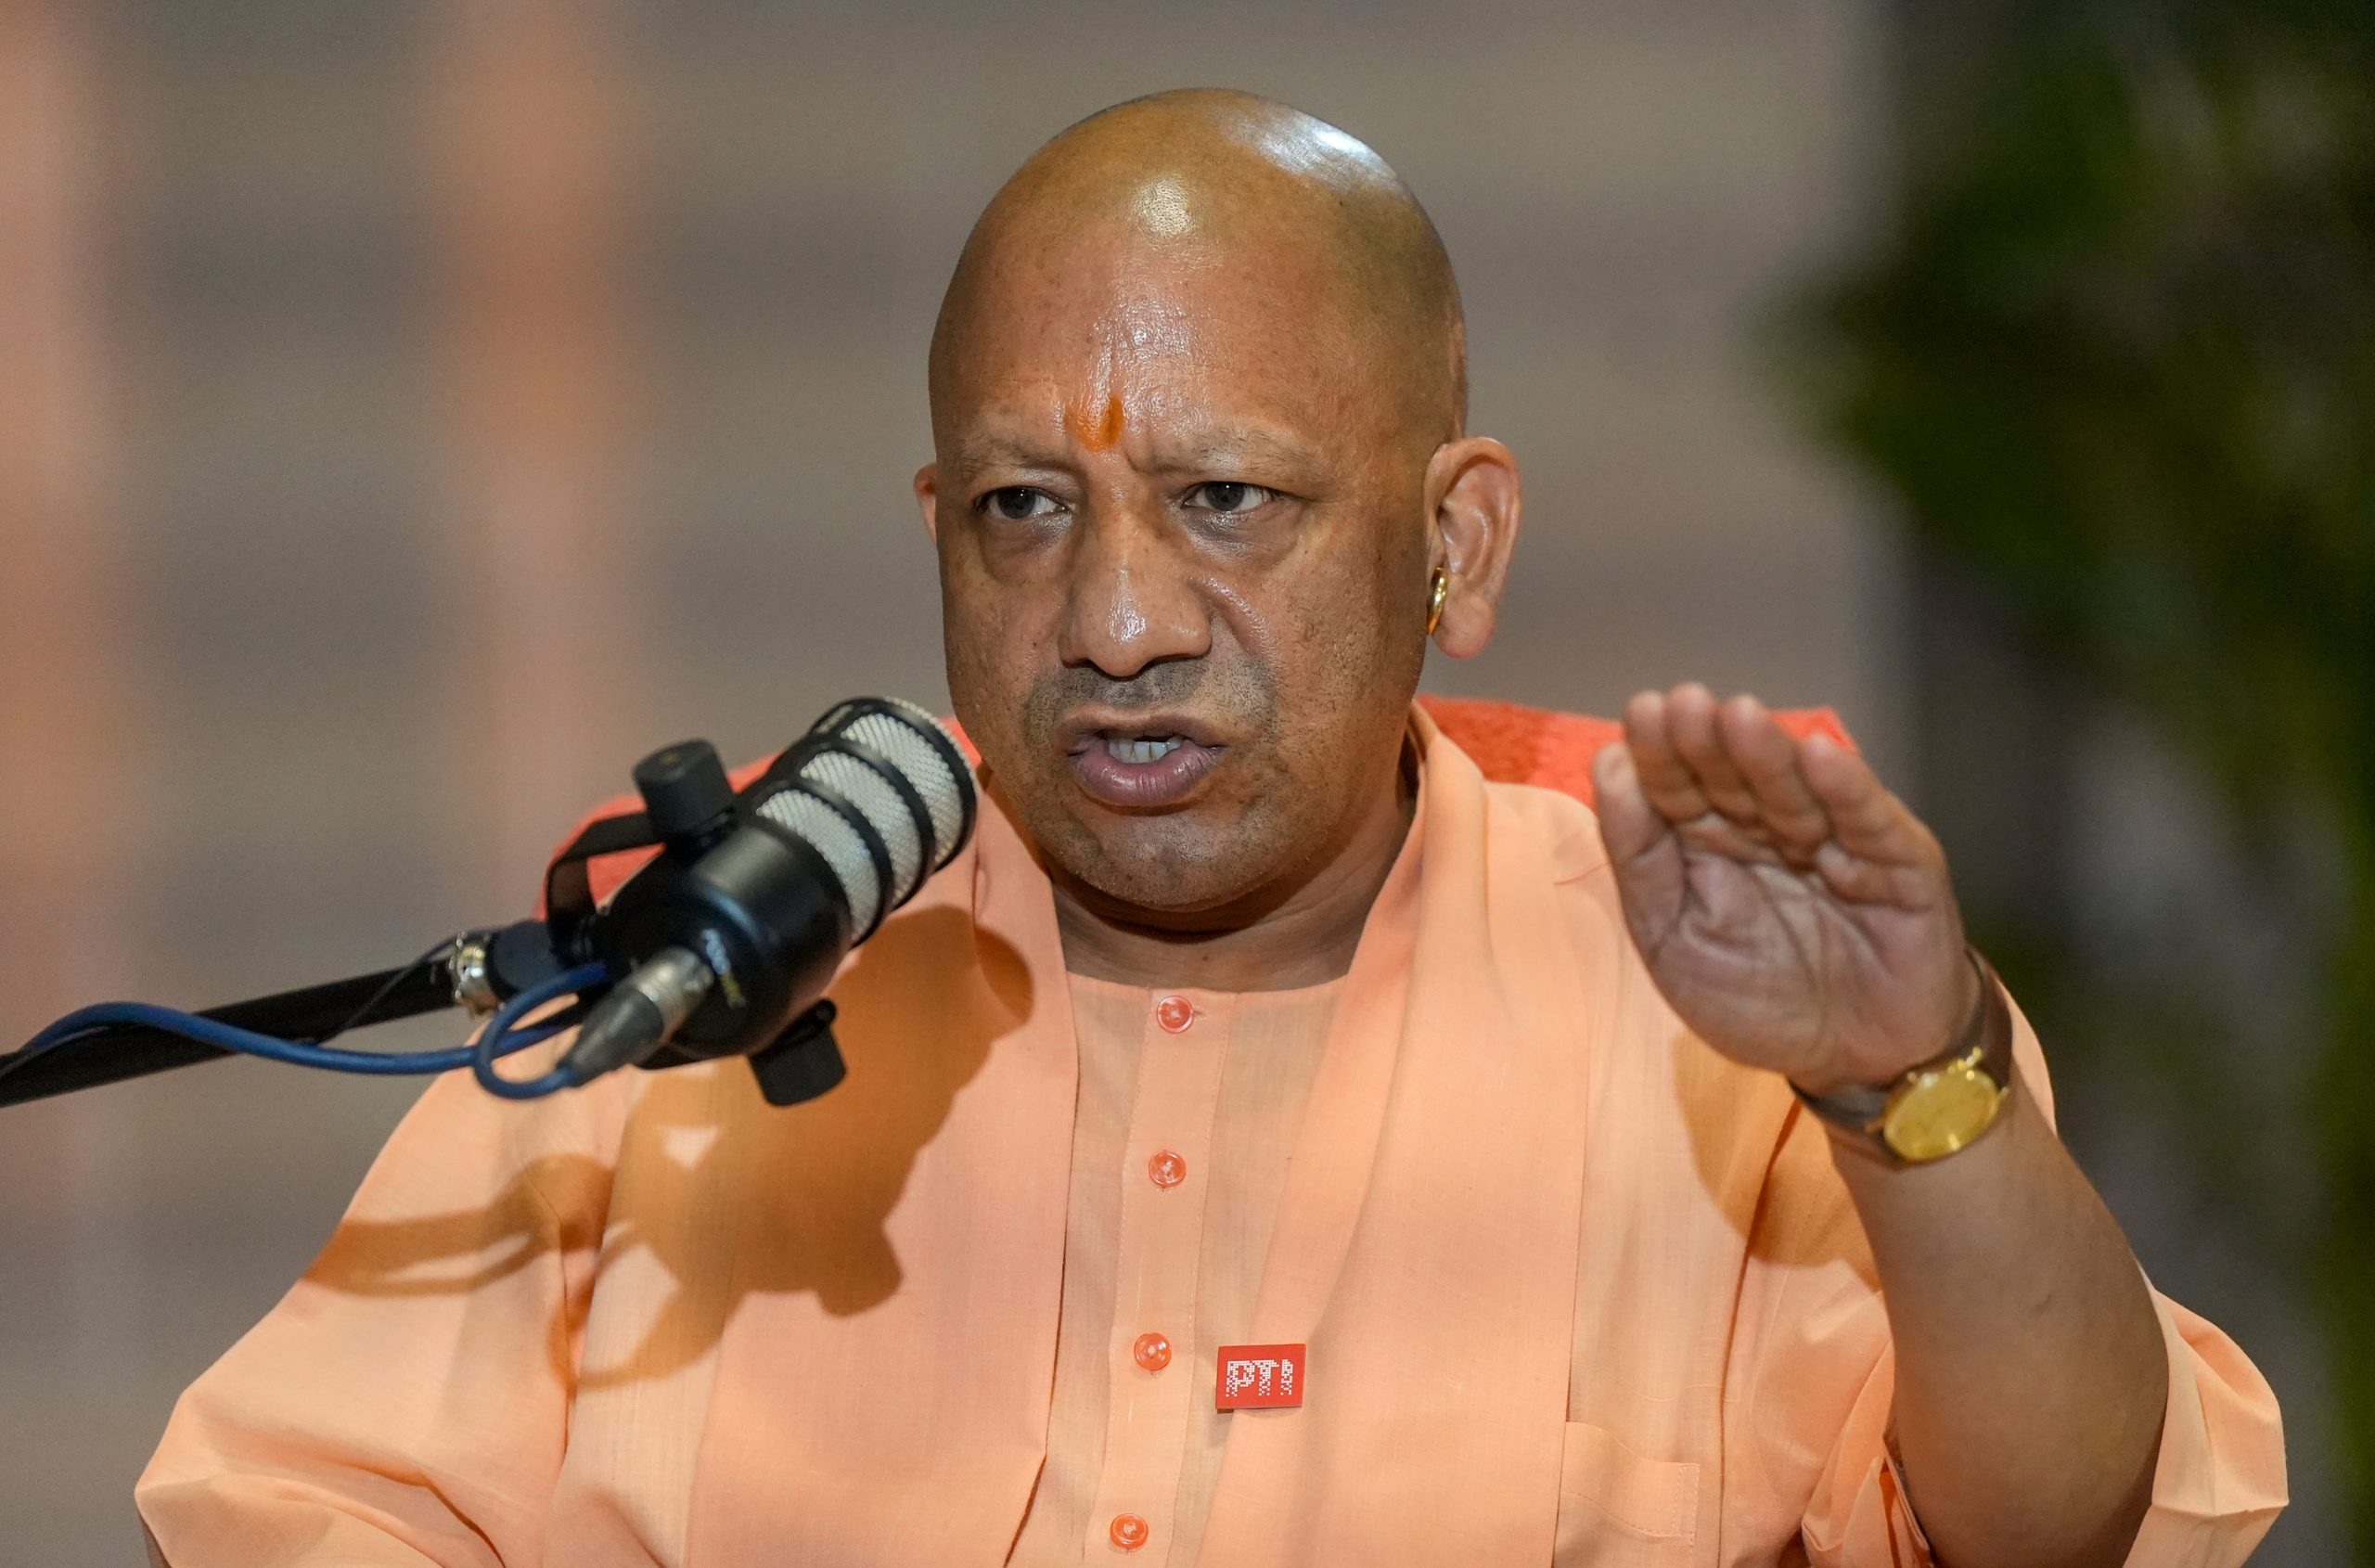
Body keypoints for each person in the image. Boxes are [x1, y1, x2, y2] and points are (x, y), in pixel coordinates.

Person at [136, 90, 2284, 1567]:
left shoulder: (1724, 1011)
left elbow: (2070, 1527)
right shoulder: (706, 970)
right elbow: (293, 1509)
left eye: (1224, 499)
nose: (1115, 622)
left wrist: (1911, 1084)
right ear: (934, 532)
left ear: (1454, 542)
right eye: (1022, 508)